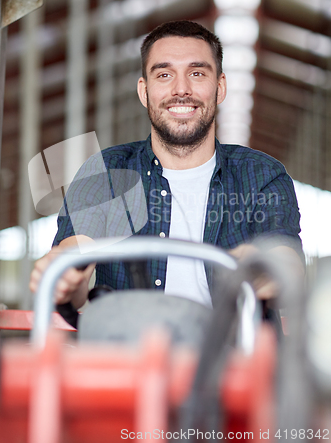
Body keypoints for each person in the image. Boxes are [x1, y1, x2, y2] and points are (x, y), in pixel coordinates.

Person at [30, 20, 304, 315]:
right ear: (144, 91)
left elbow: (285, 258)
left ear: (220, 87)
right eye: (164, 74)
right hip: (130, 352)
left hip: (232, 352)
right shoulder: (108, 171)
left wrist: (264, 266)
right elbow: (78, 248)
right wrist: (66, 273)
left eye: (197, 73)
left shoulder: (261, 174)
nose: (181, 89)